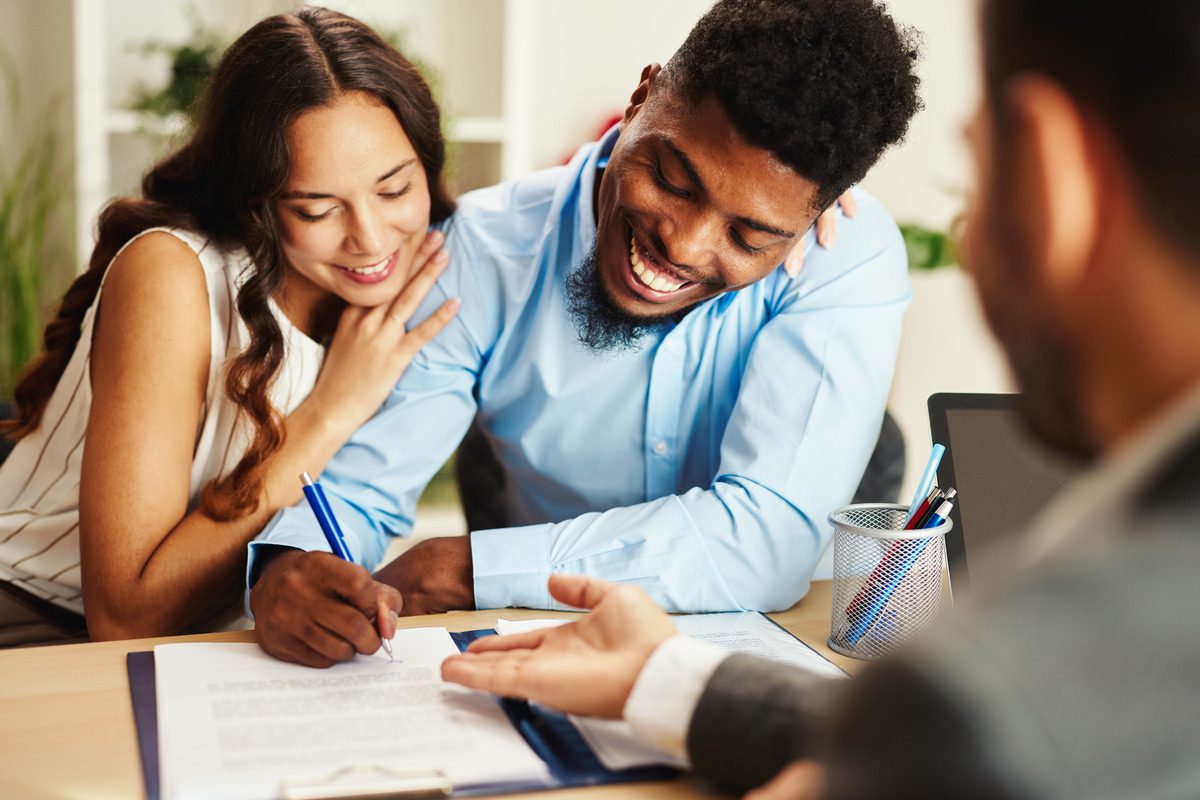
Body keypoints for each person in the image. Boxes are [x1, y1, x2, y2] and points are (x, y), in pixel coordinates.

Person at [441, 1, 1200, 798]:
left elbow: (951, 737)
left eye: (979, 165)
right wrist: (668, 681)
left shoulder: (987, 703)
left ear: (1053, 177)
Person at [248, 0, 923, 668]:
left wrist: (468, 569)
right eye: (671, 179)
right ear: (642, 99)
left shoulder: (843, 258)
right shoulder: (480, 253)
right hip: (533, 652)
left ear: (816, 214)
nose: (682, 248)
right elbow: (362, 493)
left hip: (755, 659)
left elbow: (763, 543)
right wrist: (293, 564)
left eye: (749, 235)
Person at [0, 7, 460, 645]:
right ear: (258, 201)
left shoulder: (415, 277)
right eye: (317, 208)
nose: (372, 238)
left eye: (394, 190)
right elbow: (125, 615)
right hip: (41, 616)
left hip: (215, 641)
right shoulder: (173, 275)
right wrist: (331, 411)